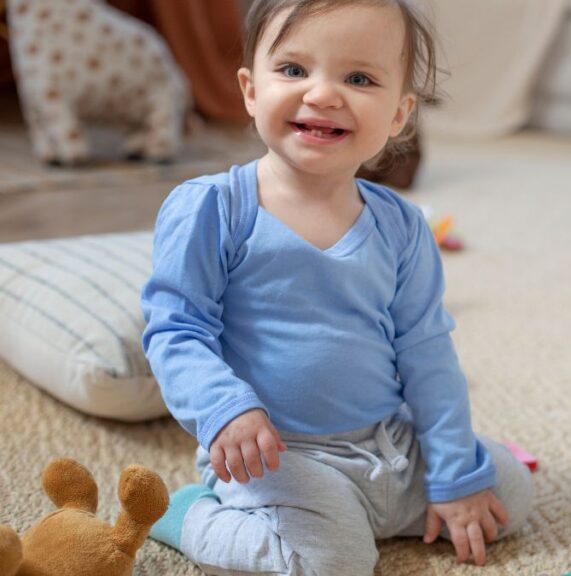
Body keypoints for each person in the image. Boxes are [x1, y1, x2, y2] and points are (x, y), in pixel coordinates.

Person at [140, 1, 534, 574]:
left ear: (399, 114)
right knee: (337, 562)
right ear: (250, 91)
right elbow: (175, 329)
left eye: (358, 78)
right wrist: (224, 409)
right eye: (295, 70)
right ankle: (192, 517)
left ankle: (369, 508)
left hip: (386, 442)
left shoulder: (400, 226)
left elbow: (427, 353)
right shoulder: (214, 208)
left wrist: (453, 474)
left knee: (508, 493)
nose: (322, 94)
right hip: (273, 450)